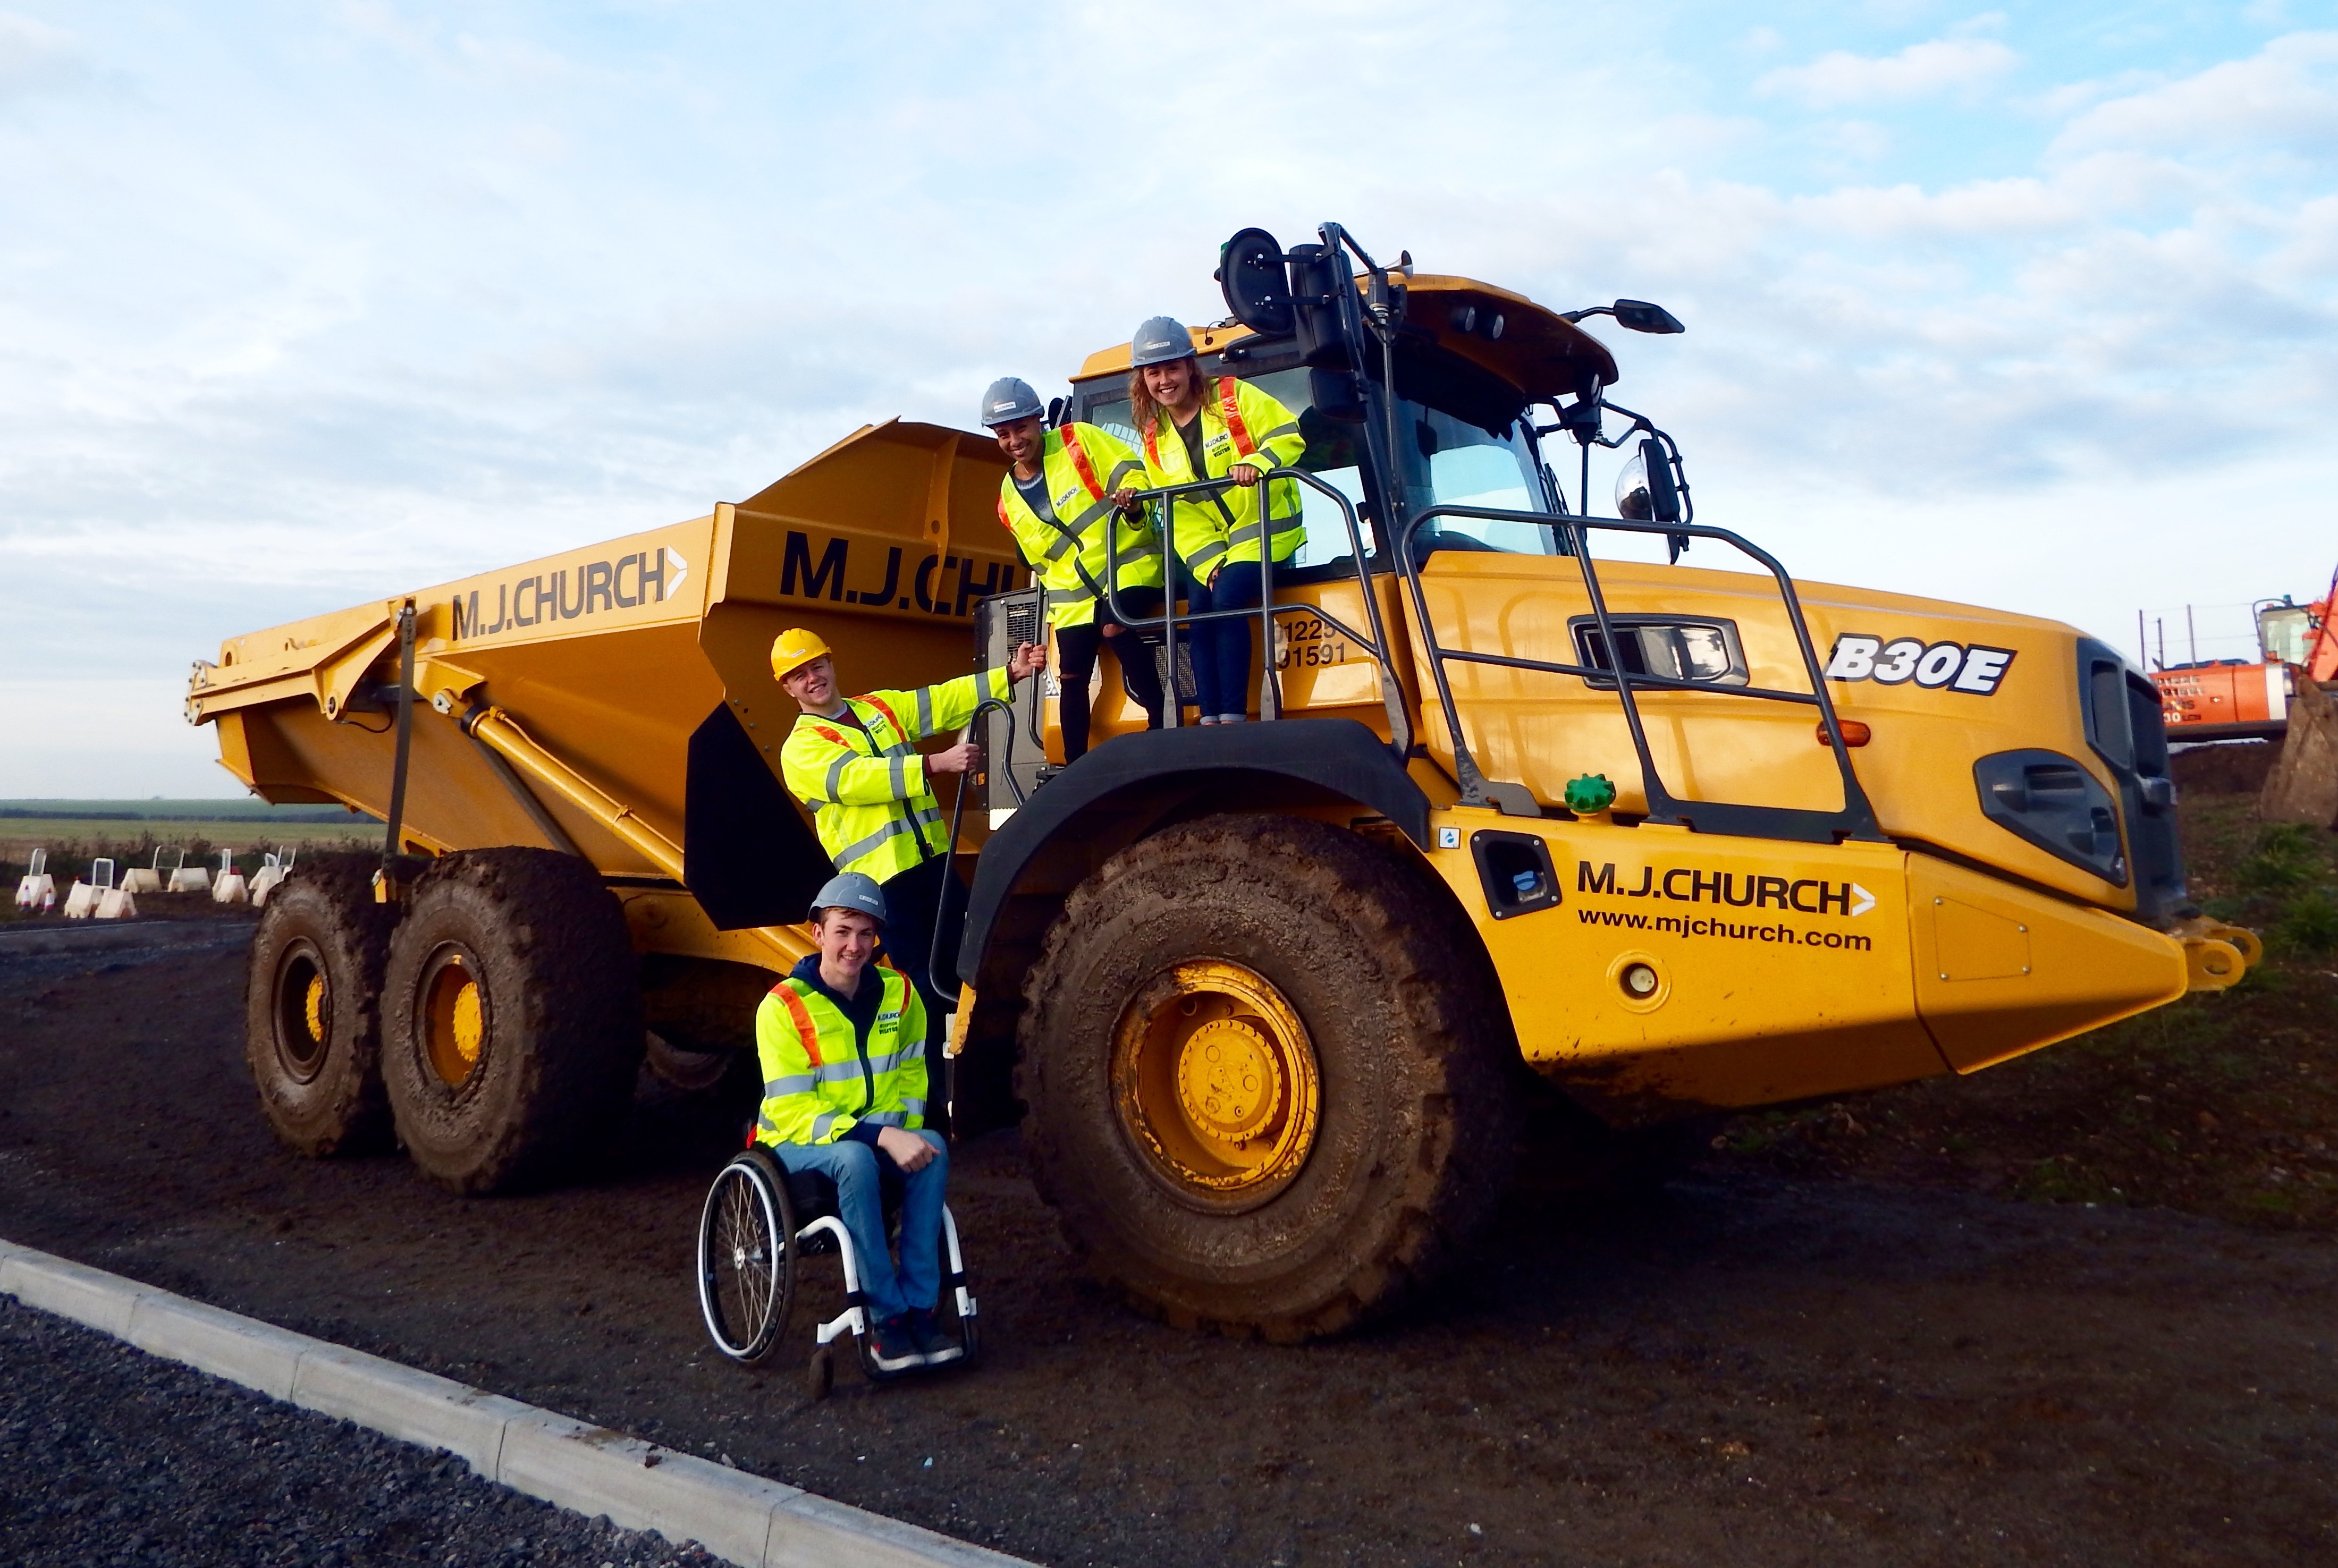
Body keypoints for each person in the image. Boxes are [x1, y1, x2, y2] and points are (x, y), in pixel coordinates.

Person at [773, 627, 1044, 1082]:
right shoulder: (800, 749)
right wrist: (933, 764)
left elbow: (940, 701)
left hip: (933, 864)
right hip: (884, 883)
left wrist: (1010, 675)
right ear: (787, 687)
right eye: (799, 675)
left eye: (817, 665)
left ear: (831, 663)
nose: (812, 678)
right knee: (921, 984)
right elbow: (856, 779)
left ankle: (982, 1072)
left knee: (967, 965)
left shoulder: (878, 708)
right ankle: (935, 1090)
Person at [755, 873, 954, 1371]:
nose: (854, 946)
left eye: (866, 933)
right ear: (818, 933)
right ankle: (886, 1320)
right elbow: (793, 1110)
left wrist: (903, 1135)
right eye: (842, 931)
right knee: (855, 1158)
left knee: (933, 1146)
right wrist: (882, 1137)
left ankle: (921, 1307)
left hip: (869, 1143)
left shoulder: (902, 995)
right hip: (796, 1142)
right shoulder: (782, 1007)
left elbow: (913, 1080)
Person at [1123, 316, 1306, 725]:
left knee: (1225, 600)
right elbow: (1179, 512)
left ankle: (1234, 715)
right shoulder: (1155, 437)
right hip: (1213, 545)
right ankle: (1208, 718)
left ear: (1190, 367)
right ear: (1143, 379)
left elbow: (1288, 434)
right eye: (1154, 372)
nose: (1164, 380)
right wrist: (1208, 563)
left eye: (1172, 367)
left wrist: (1256, 462)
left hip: (1264, 530)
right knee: (1198, 609)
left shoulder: (1233, 398)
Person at [980, 376, 1167, 761]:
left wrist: (1132, 504)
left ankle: (1160, 721)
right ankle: (1074, 763)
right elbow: (1036, 559)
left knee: (1114, 624)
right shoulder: (1007, 498)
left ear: (1038, 421)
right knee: (1071, 676)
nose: (1014, 440)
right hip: (1073, 598)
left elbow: (1132, 473)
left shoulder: (1077, 440)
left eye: (1020, 428)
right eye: (1003, 434)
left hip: (1129, 566)